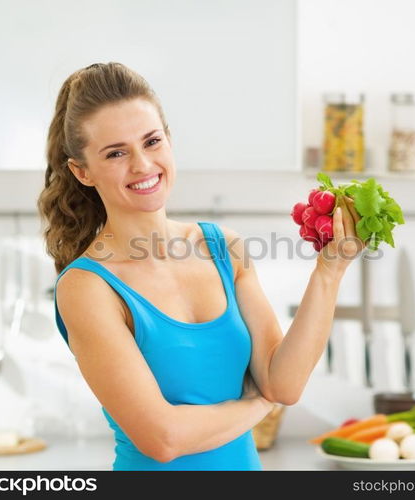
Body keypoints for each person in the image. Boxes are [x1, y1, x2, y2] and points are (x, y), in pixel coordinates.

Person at [37, 62, 365, 471]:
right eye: (116, 153)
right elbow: (163, 438)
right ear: (82, 171)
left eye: (152, 141)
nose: (142, 165)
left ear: (169, 141)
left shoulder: (223, 249)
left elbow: (284, 382)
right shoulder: (88, 287)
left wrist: (329, 271)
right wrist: (258, 404)